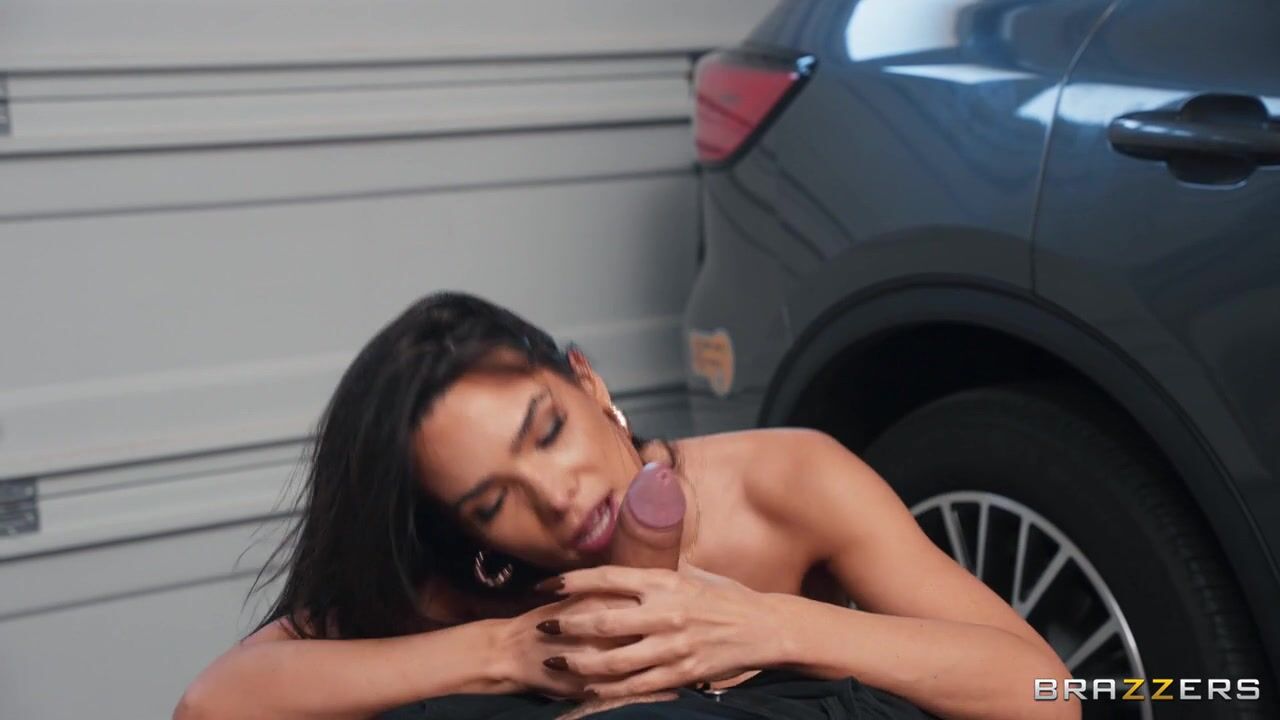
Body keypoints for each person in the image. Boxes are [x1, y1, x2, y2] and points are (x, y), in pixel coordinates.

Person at [173, 291, 1078, 720]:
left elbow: (1045, 693)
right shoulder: (481, 581)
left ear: (590, 383)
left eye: (547, 432)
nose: (555, 497)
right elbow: (216, 705)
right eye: (491, 501)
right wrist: (504, 651)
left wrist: (765, 625)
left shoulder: (786, 483)